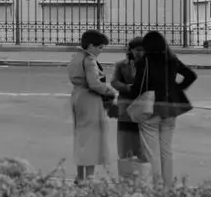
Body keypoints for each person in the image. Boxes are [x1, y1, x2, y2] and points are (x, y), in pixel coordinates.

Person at [131, 30, 198, 186]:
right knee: (166, 150)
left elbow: (137, 88)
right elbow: (191, 75)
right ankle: (168, 185)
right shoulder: (172, 59)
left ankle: (155, 185)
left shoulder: (144, 62)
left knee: (151, 151)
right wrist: (176, 89)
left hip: (150, 109)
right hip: (169, 109)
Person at [67, 29, 117, 181]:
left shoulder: (76, 57)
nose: (100, 51)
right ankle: (88, 176)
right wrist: (110, 91)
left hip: (77, 96)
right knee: (92, 139)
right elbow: (94, 84)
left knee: (81, 137)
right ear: (90, 46)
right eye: (99, 47)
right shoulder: (89, 60)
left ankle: (80, 174)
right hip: (90, 99)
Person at [109, 37, 147, 181]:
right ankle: (125, 177)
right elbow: (114, 82)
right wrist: (127, 88)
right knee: (125, 141)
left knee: (143, 142)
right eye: (138, 50)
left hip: (144, 109)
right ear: (130, 50)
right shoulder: (121, 65)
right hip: (125, 107)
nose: (140, 53)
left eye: (144, 50)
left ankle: (142, 176)